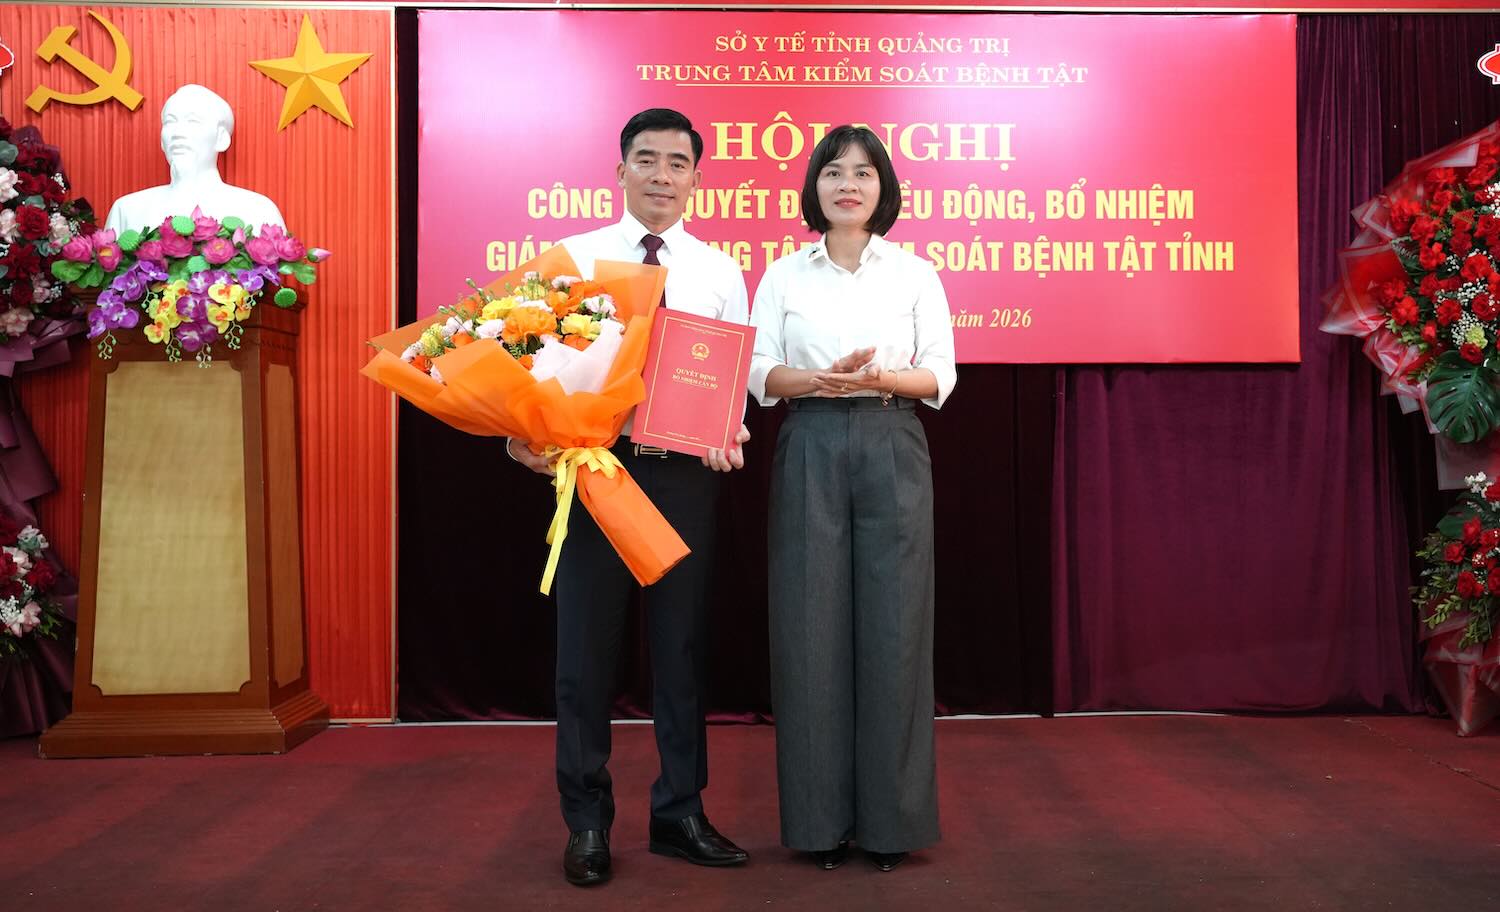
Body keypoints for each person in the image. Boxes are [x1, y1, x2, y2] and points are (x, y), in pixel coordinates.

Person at [507, 108, 753, 888]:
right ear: (619, 170)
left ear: (696, 180)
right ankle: (586, 823)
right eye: (646, 160)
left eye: (677, 163)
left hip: (682, 474)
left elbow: (732, 380)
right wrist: (519, 432)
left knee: (680, 650)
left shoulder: (717, 271)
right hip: (595, 468)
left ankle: (680, 810)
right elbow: (524, 358)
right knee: (585, 654)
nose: (660, 175)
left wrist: (728, 429)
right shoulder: (573, 258)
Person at [747, 125, 956, 873]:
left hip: (890, 441)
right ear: (815, 186)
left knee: (895, 631)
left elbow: (940, 374)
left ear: (882, 190)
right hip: (809, 441)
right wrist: (819, 383)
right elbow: (760, 371)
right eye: (834, 172)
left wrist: (878, 382)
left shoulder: (914, 274)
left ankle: (891, 826)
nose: (849, 185)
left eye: (864, 175)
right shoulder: (782, 275)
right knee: (809, 630)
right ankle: (817, 824)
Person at [106, 84, 284, 233]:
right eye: (170, 122)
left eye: (193, 121)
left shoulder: (259, 210)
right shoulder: (127, 210)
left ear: (221, 138)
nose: (177, 133)